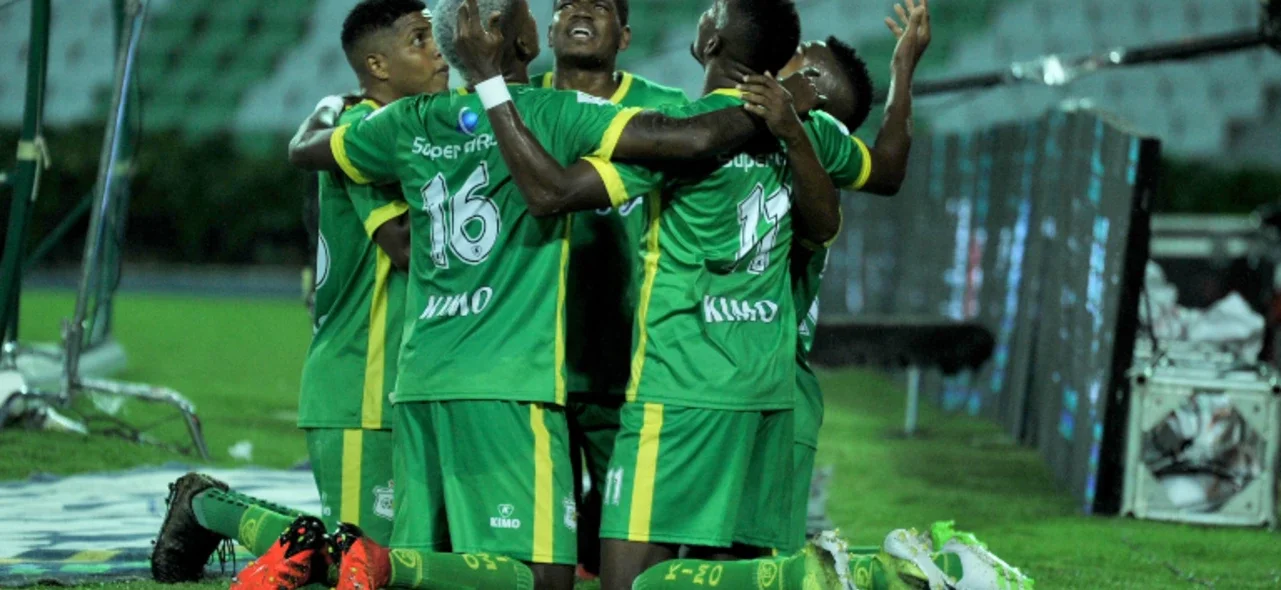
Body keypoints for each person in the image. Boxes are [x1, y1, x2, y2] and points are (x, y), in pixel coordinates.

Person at [283, 0, 822, 586]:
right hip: (513, 381)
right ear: (511, 42)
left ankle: (309, 551)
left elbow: (310, 150)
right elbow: (692, 139)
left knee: (426, 565)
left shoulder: (404, 121)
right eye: (530, 14)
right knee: (544, 575)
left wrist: (334, 108)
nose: (545, 17)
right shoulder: (552, 112)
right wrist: (785, 105)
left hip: (423, 381)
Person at [444, 0, 887, 587]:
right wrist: (878, 87)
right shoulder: (803, 131)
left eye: (713, 9)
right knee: (734, 572)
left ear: (714, 42)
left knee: (622, 575)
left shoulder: (672, 133)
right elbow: (841, 211)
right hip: (767, 389)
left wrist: (490, 85)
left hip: (676, 385)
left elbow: (552, 192)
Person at [148, 1, 447, 585]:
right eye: (419, 40)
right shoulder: (363, 131)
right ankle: (210, 508)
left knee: (417, 555)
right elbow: (407, 247)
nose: (438, 52)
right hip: (363, 382)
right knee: (358, 560)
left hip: (416, 377)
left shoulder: (400, 123)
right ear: (377, 65)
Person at [530, 0, 690, 579]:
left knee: (630, 545)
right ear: (549, 28)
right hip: (528, 370)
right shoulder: (513, 104)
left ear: (624, 34)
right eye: (565, 3)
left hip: (629, 367)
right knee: (539, 554)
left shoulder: (667, 109)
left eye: (598, 5)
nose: (579, 11)